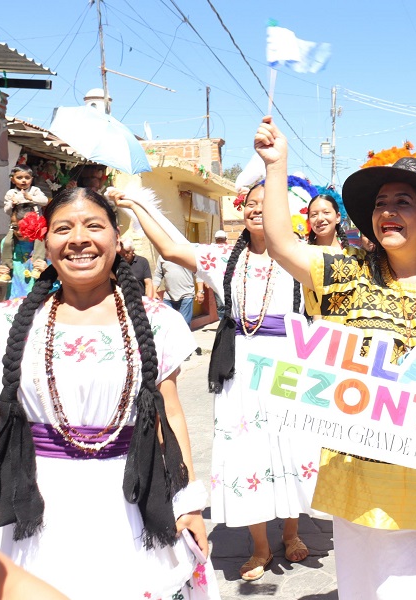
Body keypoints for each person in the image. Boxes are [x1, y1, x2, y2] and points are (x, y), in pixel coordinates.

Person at [255, 115, 416, 599]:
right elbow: (283, 244)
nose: (387, 212)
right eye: (380, 204)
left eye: (403, 202)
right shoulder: (346, 273)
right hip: (361, 473)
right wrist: (276, 166)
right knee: (366, 587)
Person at [0, 187, 215, 599]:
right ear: (46, 241)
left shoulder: (157, 322)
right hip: (37, 503)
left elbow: (170, 416)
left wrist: (190, 502)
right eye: (63, 228)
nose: (79, 239)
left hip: (129, 500)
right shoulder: (3, 322)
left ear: (116, 237)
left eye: (94, 226)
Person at [110, 181, 319, 582]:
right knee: (249, 449)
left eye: (266, 203)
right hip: (240, 365)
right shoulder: (226, 257)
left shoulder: (302, 257)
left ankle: (292, 534)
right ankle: (259, 547)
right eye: (251, 204)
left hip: (291, 365)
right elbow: (172, 249)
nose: (257, 209)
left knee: (289, 444)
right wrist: (138, 205)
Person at [0, 204, 48, 298]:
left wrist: (47, 270)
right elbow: (6, 268)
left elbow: (61, 275)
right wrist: (2, 270)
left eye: (23, 227)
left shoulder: (46, 243)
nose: (18, 232)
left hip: (42, 297)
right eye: (15, 227)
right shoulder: (7, 243)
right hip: (15, 297)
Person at [153, 255, 204, 325]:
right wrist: (154, 291)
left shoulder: (187, 253)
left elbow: (198, 273)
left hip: (186, 294)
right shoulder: (162, 256)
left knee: (184, 324)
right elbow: (158, 275)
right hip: (168, 296)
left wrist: (200, 291)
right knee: (168, 324)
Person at [212, 230, 230, 319]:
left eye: (222, 239)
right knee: (220, 305)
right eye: (218, 240)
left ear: (225, 239)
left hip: (230, 280)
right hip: (217, 280)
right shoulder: (211, 250)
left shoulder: (230, 250)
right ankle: (222, 324)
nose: (220, 242)